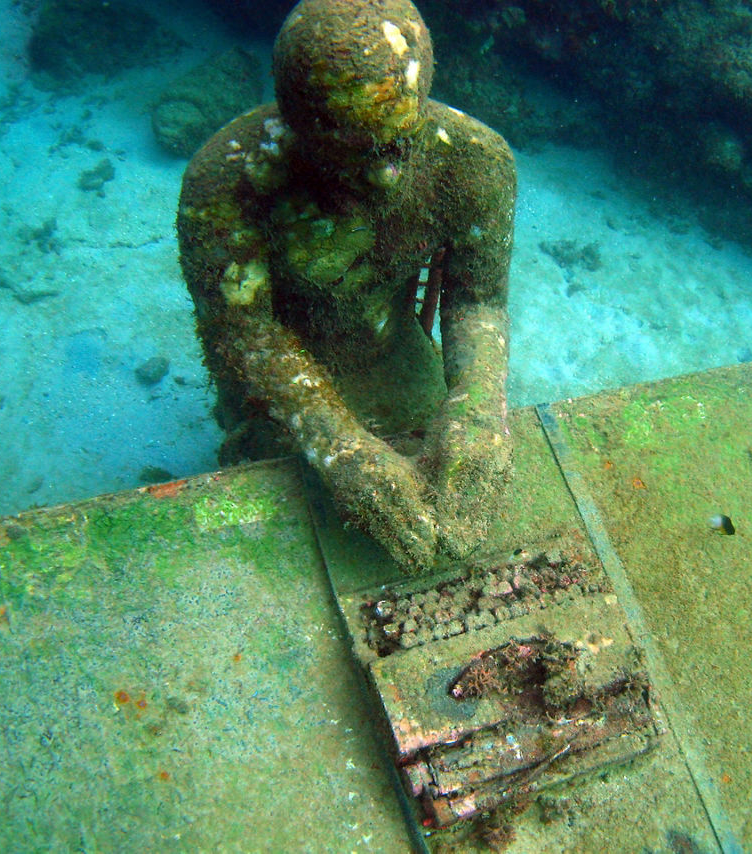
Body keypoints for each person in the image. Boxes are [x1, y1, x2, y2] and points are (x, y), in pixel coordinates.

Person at [177, 0, 516, 573]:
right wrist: (338, 447)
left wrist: (479, 410)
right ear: (300, 128)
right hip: (277, 396)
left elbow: (478, 300)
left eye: (398, 143)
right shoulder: (229, 184)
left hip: (397, 360)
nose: (385, 176)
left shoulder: (475, 166)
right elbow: (241, 331)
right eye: (354, 154)